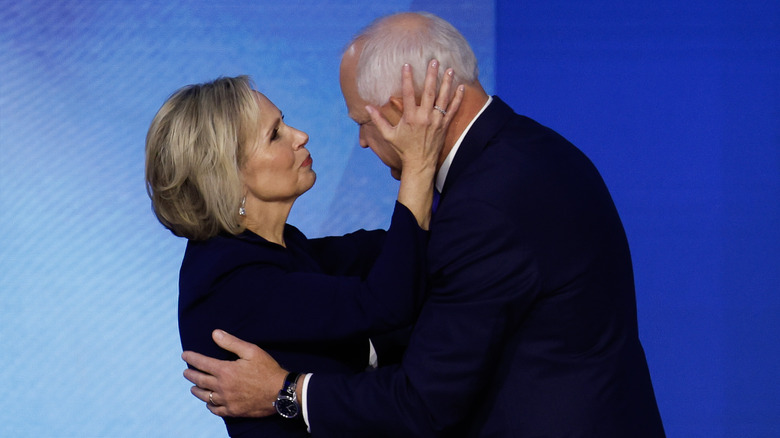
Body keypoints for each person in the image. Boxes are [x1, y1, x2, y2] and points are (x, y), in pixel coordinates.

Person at [182, 12, 666, 437]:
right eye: (275, 133)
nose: (364, 144)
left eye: (362, 124)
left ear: (403, 108)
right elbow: (393, 271)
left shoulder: (486, 205)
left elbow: (424, 399)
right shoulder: (526, 155)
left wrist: (286, 392)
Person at [145, 70, 463, 437]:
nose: (301, 137)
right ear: (227, 175)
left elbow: (384, 252)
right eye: (275, 135)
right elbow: (389, 301)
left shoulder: (275, 247)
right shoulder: (230, 280)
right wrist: (418, 164)